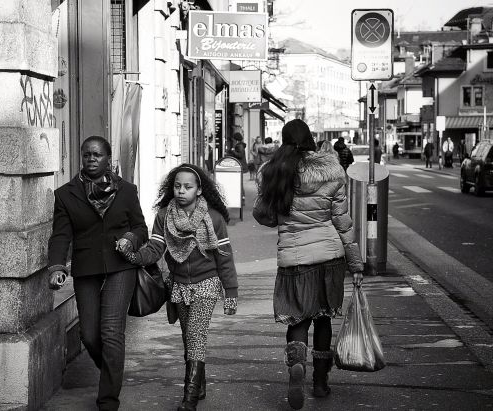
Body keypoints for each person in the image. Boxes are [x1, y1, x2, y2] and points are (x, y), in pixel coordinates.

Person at [253, 119, 364, 410]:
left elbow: (263, 216)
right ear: (311, 141)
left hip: (293, 258)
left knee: (297, 319)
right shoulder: (331, 171)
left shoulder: (276, 172)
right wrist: (356, 263)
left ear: (284, 141)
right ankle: (320, 382)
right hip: (329, 257)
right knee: (323, 318)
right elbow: (342, 221)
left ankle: (296, 365)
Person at [118, 163, 238, 411]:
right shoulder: (164, 216)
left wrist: (231, 293)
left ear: (199, 190)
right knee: (188, 337)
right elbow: (155, 248)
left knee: (195, 335)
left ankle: (189, 398)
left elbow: (224, 257)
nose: (181, 191)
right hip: (179, 285)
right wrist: (135, 256)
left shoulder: (213, 218)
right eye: (177, 186)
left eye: (188, 187)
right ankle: (200, 383)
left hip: (207, 283)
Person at [47, 136, 148, 411]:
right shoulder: (66, 194)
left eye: (97, 155)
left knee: (112, 332)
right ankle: (112, 371)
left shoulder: (127, 190)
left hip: (120, 266)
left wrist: (130, 238)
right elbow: (60, 236)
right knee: (90, 336)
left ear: (108, 158)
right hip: (86, 268)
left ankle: (108, 401)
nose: (91, 159)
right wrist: (57, 267)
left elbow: (141, 228)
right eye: (87, 155)